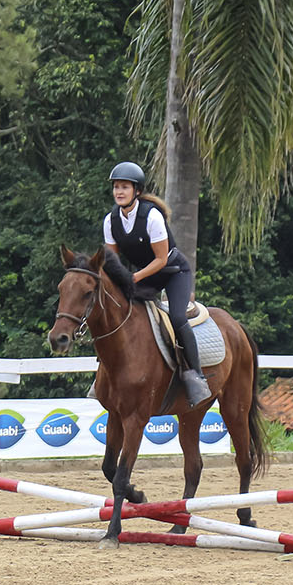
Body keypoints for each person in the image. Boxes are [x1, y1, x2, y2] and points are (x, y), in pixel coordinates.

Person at [101, 161, 212, 408]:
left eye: (125, 187)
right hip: (144, 276)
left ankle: (196, 376)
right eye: (116, 187)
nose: (119, 191)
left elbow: (161, 259)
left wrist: (133, 278)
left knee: (176, 317)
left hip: (173, 273)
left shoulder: (151, 216)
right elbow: (111, 261)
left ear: (137, 191)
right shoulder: (111, 220)